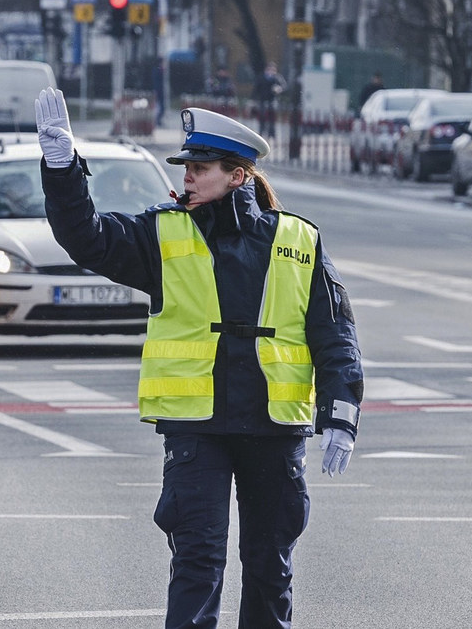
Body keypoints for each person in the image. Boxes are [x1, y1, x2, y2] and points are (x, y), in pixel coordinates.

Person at [35, 89, 364, 629]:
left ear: (238, 175)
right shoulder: (162, 233)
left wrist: (342, 417)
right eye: (186, 166)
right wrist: (62, 167)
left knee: (269, 568)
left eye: (201, 168)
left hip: (272, 427)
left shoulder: (298, 240)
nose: (188, 176)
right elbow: (87, 238)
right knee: (196, 563)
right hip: (197, 428)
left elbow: (335, 336)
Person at [253, 61, 285, 138]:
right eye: (269, 69)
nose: (271, 71)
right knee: (262, 117)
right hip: (262, 99)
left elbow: (283, 86)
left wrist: (279, 89)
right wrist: (255, 99)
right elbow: (256, 88)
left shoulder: (277, 78)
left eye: (273, 70)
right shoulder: (261, 77)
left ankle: (271, 133)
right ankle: (261, 131)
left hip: (272, 99)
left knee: (272, 117)